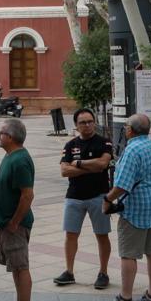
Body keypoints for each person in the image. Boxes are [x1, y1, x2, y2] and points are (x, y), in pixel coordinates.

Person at [100, 113, 151, 301]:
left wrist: (107, 199)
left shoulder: (132, 150)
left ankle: (126, 299)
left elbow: (122, 184)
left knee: (128, 253)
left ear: (130, 129)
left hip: (136, 206)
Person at [54, 108, 113, 289]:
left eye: (90, 121)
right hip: (74, 197)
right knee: (71, 235)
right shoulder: (70, 145)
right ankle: (69, 271)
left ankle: (103, 273)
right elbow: (64, 171)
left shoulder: (104, 142)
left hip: (99, 195)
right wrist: (91, 167)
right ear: (76, 125)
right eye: (82, 122)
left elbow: (103, 164)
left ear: (94, 122)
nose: (87, 125)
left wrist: (78, 163)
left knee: (101, 235)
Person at [0, 118, 36, 301]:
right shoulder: (11, 156)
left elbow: (27, 195)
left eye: (0, 133)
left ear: (10, 137)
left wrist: (15, 222)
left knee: (21, 267)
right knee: (15, 268)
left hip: (15, 225)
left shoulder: (19, 160)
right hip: (8, 223)